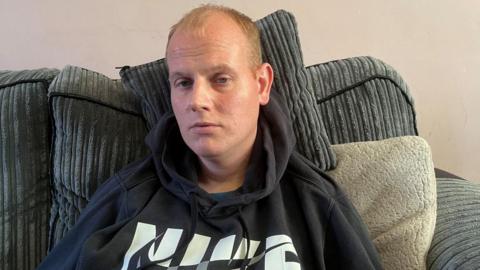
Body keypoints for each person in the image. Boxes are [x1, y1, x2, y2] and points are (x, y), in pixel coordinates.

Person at [37, 4, 382, 270]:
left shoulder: (317, 203)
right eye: (183, 83)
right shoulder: (127, 195)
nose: (197, 101)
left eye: (220, 79)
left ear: (261, 84)